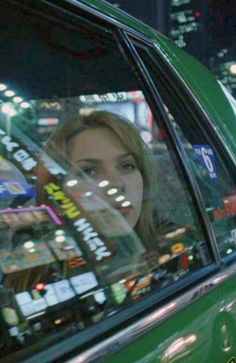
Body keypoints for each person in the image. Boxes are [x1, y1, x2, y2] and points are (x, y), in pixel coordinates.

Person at [37, 110, 159, 275]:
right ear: (56, 194)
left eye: (127, 166)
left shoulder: (176, 248)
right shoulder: (38, 278)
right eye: (90, 171)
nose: (116, 183)